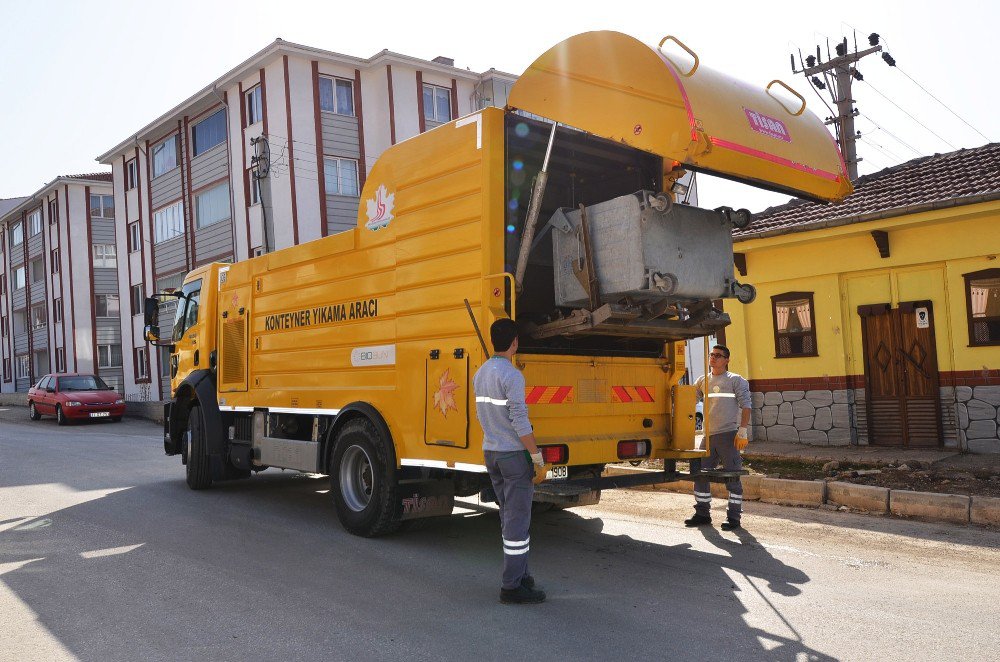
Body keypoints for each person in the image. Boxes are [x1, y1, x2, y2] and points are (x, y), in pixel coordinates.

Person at [474, 318, 547, 605]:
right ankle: (512, 586)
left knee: (509, 517)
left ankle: (522, 575)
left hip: (491, 452)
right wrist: (537, 457)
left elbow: (483, 415)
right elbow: (520, 421)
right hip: (513, 456)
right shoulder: (512, 376)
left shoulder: (480, 374)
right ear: (515, 342)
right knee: (518, 522)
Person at [684, 344, 752, 531]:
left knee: (732, 477)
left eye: (718, 355)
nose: (713, 358)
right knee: (700, 475)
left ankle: (734, 518)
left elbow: (746, 406)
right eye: (711, 355)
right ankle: (702, 514)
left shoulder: (735, 380)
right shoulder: (702, 380)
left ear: (727, 360)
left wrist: (742, 431)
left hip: (728, 436)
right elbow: (690, 401)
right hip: (708, 437)